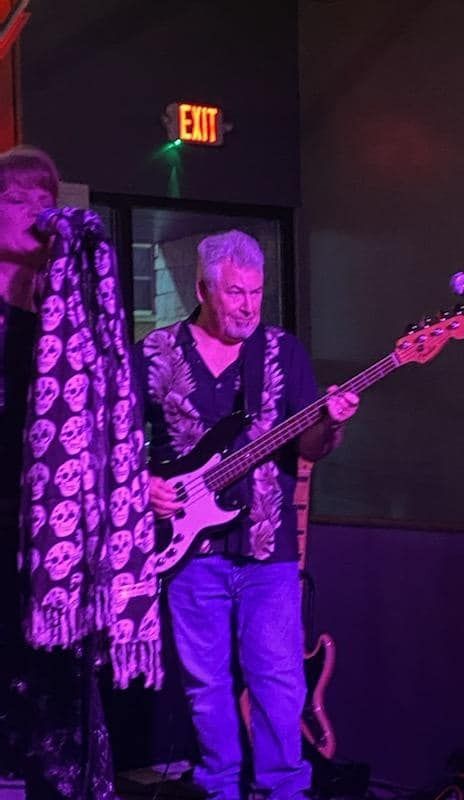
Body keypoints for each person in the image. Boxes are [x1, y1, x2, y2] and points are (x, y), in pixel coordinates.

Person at [135, 229, 359, 800]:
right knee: (205, 685)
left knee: (278, 681)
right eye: (235, 293)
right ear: (202, 290)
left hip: (268, 548)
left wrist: (330, 423)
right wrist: (145, 485)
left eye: (256, 293)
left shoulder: (282, 352)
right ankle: (220, 789)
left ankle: (284, 791)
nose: (248, 306)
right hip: (187, 550)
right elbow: (117, 441)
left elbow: (310, 447)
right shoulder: (155, 353)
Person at [0, 145, 115, 799]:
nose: (35, 212)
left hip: (52, 552)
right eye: (16, 199)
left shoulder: (69, 318)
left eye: (45, 200)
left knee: (58, 727)